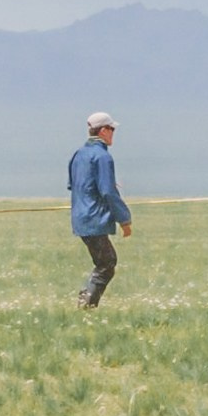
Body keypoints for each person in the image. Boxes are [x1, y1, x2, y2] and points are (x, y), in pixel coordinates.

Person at [68, 111, 132, 307]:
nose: (113, 133)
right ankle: (86, 305)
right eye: (112, 129)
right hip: (94, 218)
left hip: (79, 217)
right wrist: (125, 220)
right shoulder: (103, 157)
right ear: (103, 130)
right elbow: (107, 192)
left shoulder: (79, 154)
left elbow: (74, 184)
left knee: (104, 262)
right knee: (107, 263)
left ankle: (85, 301)